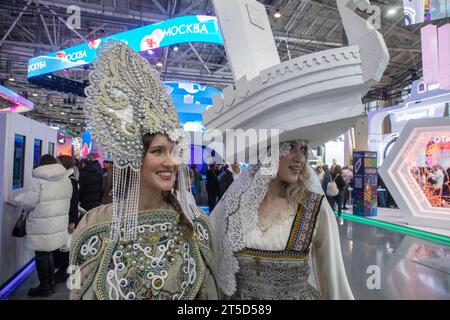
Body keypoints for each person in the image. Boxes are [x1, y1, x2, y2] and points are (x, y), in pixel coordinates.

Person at [69, 41, 217, 300]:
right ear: (135, 158)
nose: (170, 162)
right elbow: (76, 291)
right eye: (158, 151)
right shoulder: (95, 225)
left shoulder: (196, 224)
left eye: (173, 151)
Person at [210, 141, 353, 300]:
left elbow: (333, 276)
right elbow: (214, 263)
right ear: (268, 152)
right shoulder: (237, 206)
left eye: (303, 150)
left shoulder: (314, 207)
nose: (300, 158)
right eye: (291, 148)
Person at [14, 154, 72, 297]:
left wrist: (20, 200)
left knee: (41, 254)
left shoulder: (38, 180)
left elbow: (29, 203)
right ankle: (50, 283)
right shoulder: (65, 178)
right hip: (57, 222)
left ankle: (44, 287)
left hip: (41, 224)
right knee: (49, 251)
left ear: (41, 164)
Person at [53, 155, 79, 283]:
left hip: (67, 217)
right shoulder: (66, 178)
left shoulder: (70, 180)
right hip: (64, 217)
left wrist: (72, 221)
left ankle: (63, 272)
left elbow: (73, 202)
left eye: (58, 162)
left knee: (64, 247)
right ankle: (61, 272)